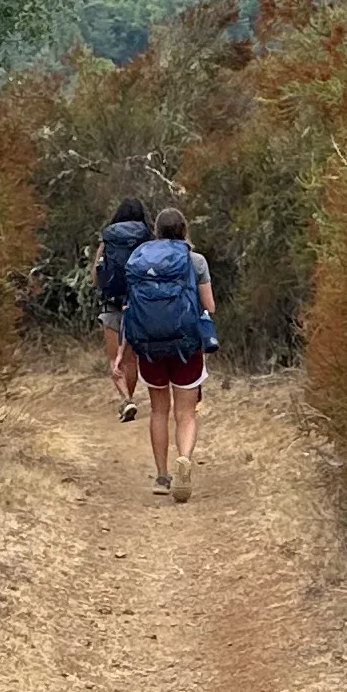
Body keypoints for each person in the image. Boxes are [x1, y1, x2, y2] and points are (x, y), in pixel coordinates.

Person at [116, 204, 215, 500]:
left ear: (156, 231)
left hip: (148, 347)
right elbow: (209, 306)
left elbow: (129, 308)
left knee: (159, 411)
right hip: (186, 346)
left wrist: (122, 351)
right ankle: (184, 457)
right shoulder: (194, 260)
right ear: (184, 230)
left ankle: (162, 476)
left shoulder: (140, 258)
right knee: (185, 413)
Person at [91, 197, 152, 421]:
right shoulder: (146, 240)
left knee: (113, 358)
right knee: (131, 359)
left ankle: (126, 399)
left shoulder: (108, 240)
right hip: (137, 304)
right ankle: (130, 397)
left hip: (111, 303)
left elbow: (95, 278)